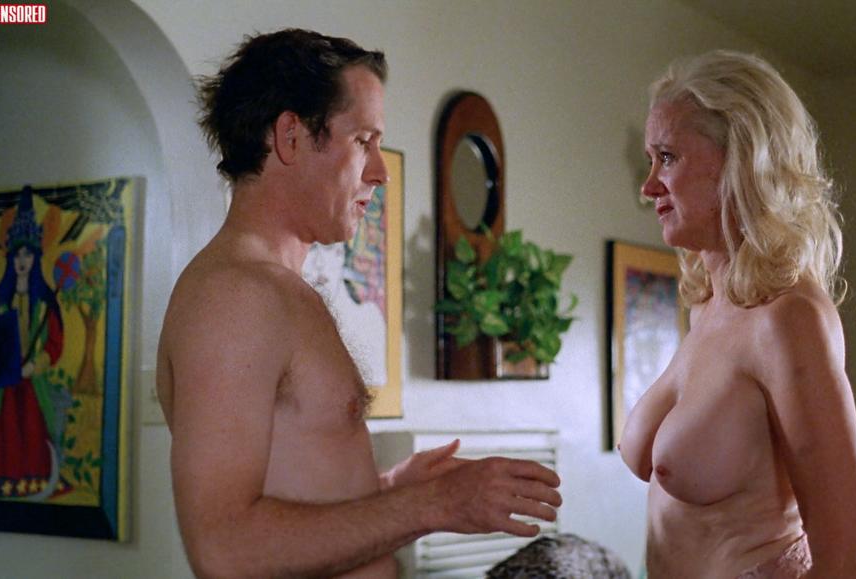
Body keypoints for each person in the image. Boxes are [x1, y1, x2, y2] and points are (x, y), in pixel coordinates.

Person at [156, 29, 561, 579]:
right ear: (291, 137)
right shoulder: (236, 298)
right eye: (363, 141)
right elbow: (223, 549)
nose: (380, 171)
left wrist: (389, 490)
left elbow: (292, 491)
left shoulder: (272, 290)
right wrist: (434, 503)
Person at [619, 50, 856, 578]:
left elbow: (853, 560)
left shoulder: (789, 317)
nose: (648, 187)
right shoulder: (707, 308)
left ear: (741, 158)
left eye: (667, 157)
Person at [0, 192, 68, 501]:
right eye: (17, 255)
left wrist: (34, 365)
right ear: (10, 259)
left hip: (30, 382)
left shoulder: (45, 302)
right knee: (1, 435)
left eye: (28, 255)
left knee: (31, 431)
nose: (22, 261)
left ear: (35, 258)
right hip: (3, 382)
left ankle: (33, 482)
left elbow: (55, 345)